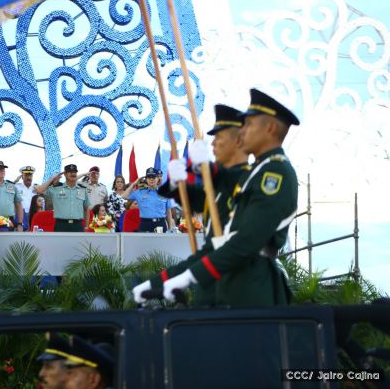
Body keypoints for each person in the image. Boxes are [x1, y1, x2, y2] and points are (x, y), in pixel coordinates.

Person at [158, 88, 300, 308]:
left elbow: (245, 237)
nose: (213, 144)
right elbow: (197, 200)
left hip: (245, 277)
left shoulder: (261, 174)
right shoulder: (248, 175)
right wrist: (179, 182)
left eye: (249, 126)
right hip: (223, 273)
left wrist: (197, 168)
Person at [135, 105, 251, 306]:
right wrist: (158, 282)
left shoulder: (251, 178)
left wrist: (205, 168)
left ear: (239, 140)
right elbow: (208, 248)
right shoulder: (217, 186)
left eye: (219, 138)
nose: (213, 144)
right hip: (213, 284)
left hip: (242, 287)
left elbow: (236, 182)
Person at [35, 164, 90, 232]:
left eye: (75, 172)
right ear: (65, 174)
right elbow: (39, 190)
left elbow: (86, 208)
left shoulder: (83, 189)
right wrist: (52, 179)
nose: (73, 174)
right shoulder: (56, 188)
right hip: (61, 225)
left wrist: (86, 226)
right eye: (70, 172)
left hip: (77, 225)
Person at [127, 168, 173, 232]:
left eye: (153, 177)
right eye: (149, 177)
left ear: (158, 179)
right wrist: (134, 183)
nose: (151, 179)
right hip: (145, 223)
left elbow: (168, 212)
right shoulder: (139, 192)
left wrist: (170, 228)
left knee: (160, 242)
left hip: (160, 223)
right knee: (144, 242)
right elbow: (124, 196)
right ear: (146, 179)